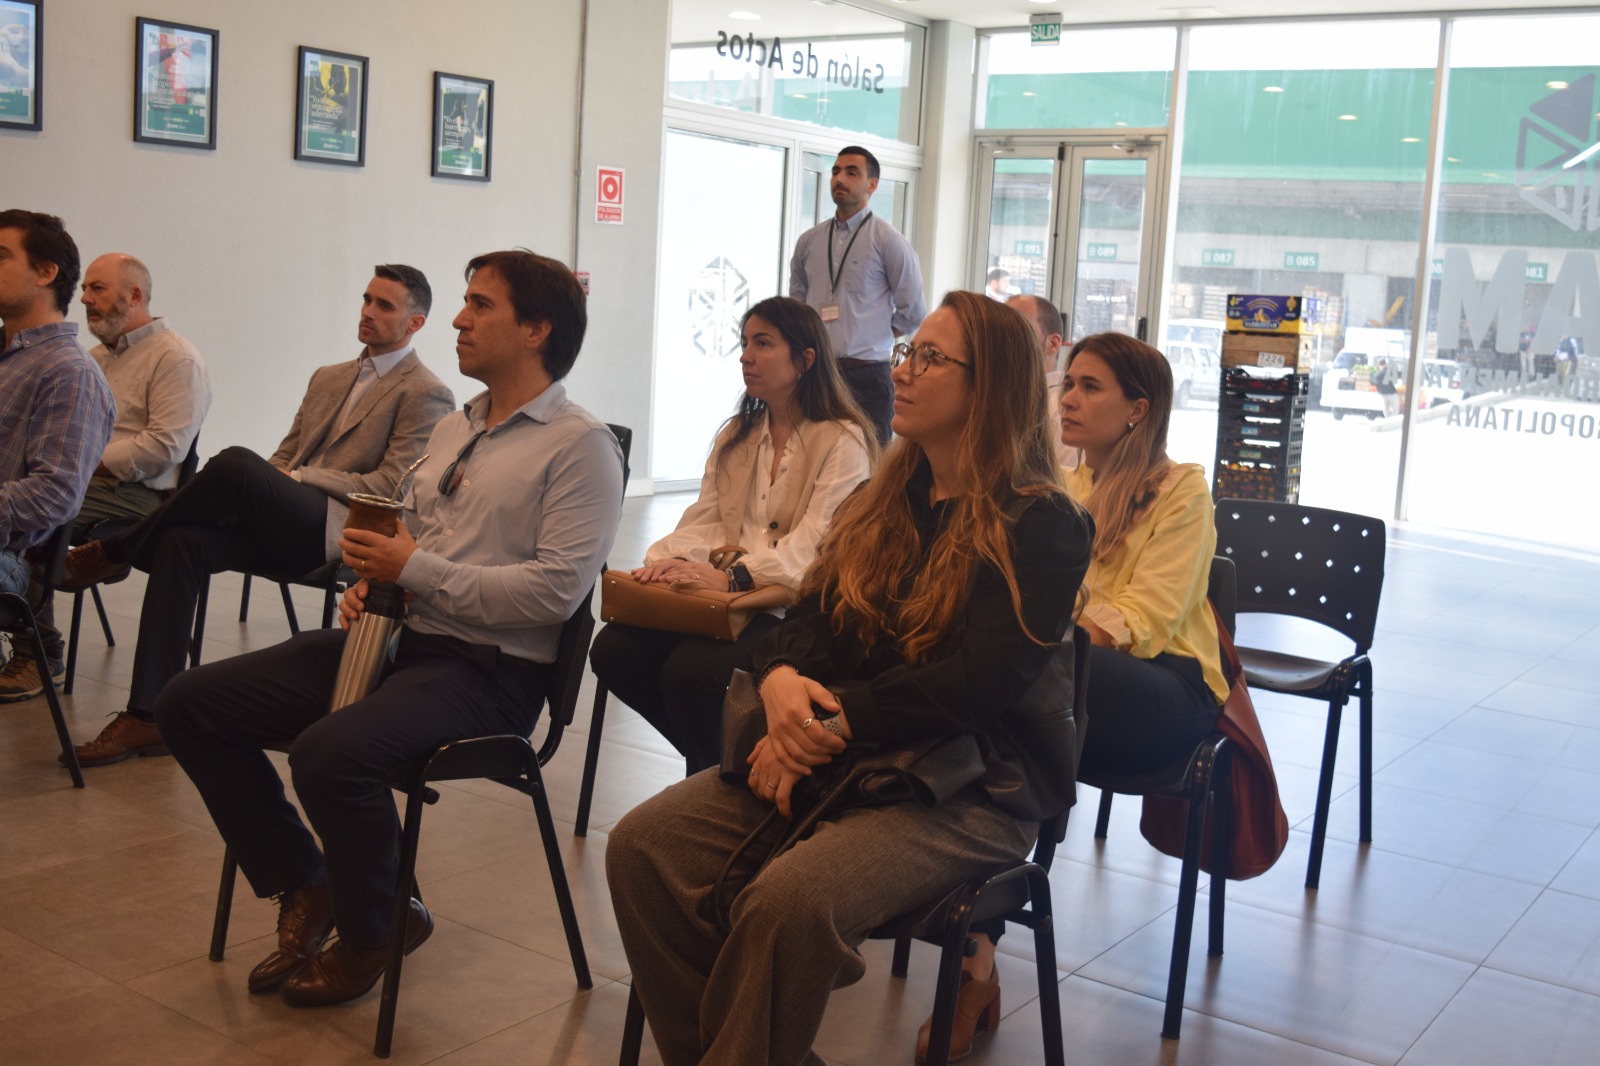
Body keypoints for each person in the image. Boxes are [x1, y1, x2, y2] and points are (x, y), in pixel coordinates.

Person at [607, 290, 1093, 1066]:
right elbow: (812, 621)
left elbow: (975, 687)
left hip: (972, 787)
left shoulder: (1043, 523)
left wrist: (822, 723)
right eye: (908, 352)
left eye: (930, 358)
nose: (902, 371)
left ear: (991, 387)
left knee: (788, 902)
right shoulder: (884, 498)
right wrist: (778, 681)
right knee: (642, 848)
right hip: (856, 757)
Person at [154, 250, 623, 1008]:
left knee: (329, 755)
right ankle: (309, 883)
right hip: (404, 645)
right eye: (465, 302)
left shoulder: (581, 446)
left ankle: (378, 925)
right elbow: (420, 543)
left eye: (480, 305)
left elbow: (555, 593)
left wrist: (415, 571)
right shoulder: (456, 426)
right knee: (189, 704)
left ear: (537, 329)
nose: (459, 320)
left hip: (490, 675)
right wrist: (380, 584)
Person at [59, 265, 454, 766]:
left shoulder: (425, 391)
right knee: (182, 541)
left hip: (336, 530)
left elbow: (391, 487)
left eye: (385, 306)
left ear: (415, 323)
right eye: (366, 299)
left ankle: (111, 552)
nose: (368, 311)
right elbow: (283, 455)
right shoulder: (329, 376)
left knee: (235, 464)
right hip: (287, 522)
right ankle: (147, 717)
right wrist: (272, 486)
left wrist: (299, 478)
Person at [588, 296, 876, 775]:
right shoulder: (738, 435)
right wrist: (673, 560)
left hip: (791, 605)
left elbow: (815, 549)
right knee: (613, 651)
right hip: (723, 599)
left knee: (693, 672)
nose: (746, 356)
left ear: (806, 359)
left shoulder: (842, 440)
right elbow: (705, 520)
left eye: (763, 344)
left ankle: (717, 773)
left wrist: (736, 577)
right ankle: (722, 767)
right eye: (744, 343)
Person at [0, 252, 212, 703]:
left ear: (134, 296)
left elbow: (164, 448)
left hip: (136, 494)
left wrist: (85, 458)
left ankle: (40, 652)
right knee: (31, 486)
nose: (85, 299)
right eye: (85, 289)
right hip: (92, 481)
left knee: (43, 507)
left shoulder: (176, 357)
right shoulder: (93, 357)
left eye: (97, 289)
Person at [1059, 332, 1227, 778]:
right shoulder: (1061, 484)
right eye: (1069, 384)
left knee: (1049, 665)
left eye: (1090, 387)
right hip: (1077, 669)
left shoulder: (1182, 490)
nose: (1068, 399)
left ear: (1137, 410)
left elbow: (1144, 618)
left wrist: (1049, 637)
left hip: (1171, 682)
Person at [0, 210, 116, 603]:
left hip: (8, 558)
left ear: (46, 272)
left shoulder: (69, 370)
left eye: (1, 256)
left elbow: (54, 493)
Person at [789, 145, 926, 445]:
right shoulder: (809, 241)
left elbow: (913, 311)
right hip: (816, 372)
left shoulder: (888, 240)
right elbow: (796, 307)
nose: (840, 178)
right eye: (836, 171)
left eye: (852, 172)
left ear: (872, 185)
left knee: (869, 459)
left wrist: (874, 332)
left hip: (866, 376)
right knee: (809, 453)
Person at [1007, 292, 1072, 468]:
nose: (1003, 338)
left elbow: (1064, 481)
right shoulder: (996, 397)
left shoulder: (1063, 411)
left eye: (1017, 327)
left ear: (1053, 344)